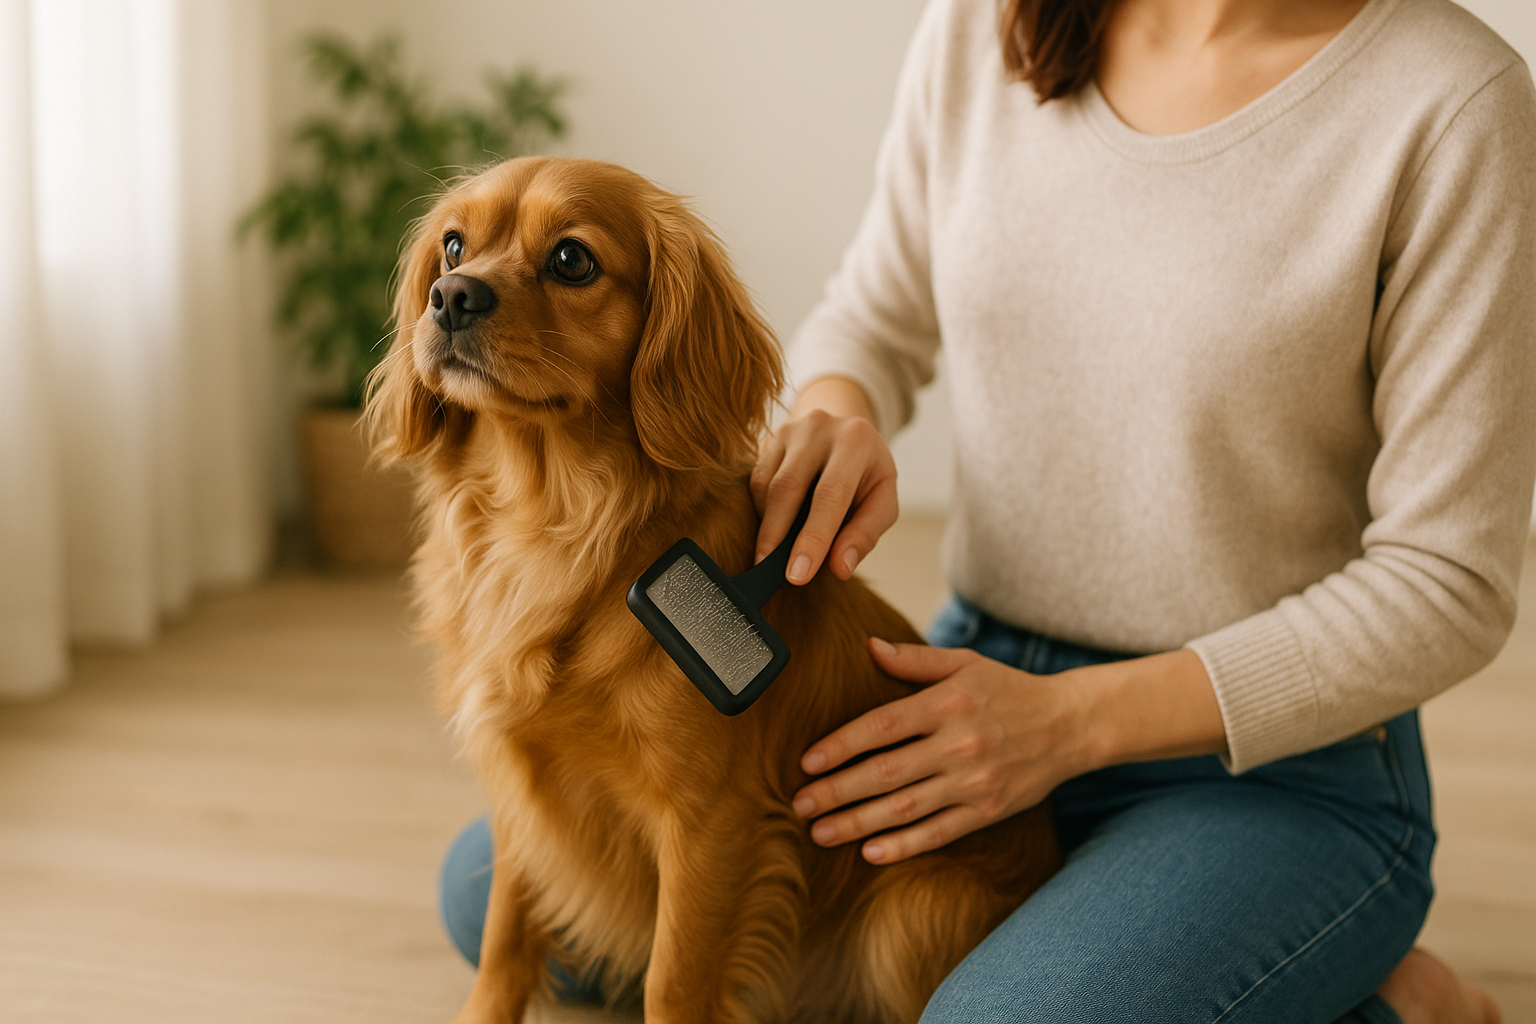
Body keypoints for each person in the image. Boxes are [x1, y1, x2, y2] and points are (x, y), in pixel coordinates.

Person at [439, 0, 1534, 1020]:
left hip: (1265, 759)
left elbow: (1449, 585)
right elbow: (872, 314)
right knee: (485, 884)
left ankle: (1383, 986)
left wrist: (1071, 725)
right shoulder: (993, 21)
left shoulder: (1449, 105)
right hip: (969, 683)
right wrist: (836, 411)